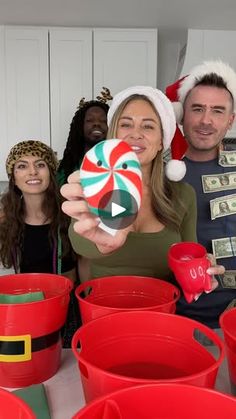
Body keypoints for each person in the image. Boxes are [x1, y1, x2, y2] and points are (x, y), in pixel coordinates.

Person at [61, 86, 223, 287]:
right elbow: (81, 246)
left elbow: (186, 262)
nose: (135, 134)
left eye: (148, 126)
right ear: (113, 136)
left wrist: (199, 274)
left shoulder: (183, 194)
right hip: (100, 311)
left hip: (160, 311)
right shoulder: (91, 186)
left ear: (161, 142)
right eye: (126, 124)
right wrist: (105, 243)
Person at [166, 60, 236, 328]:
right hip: (173, 315)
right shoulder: (156, 173)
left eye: (217, 111)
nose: (206, 120)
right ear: (182, 114)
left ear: (230, 121)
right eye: (197, 109)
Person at [0, 140, 78, 346]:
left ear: (51, 173)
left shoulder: (70, 213)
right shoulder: (4, 220)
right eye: (22, 166)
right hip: (22, 309)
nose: (32, 172)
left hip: (65, 310)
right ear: (13, 178)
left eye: (40, 164)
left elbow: (85, 265)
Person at [57, 87, 112, 187]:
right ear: (80, 126)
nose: (96, 124)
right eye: (90, 120)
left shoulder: (121, 162)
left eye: (103, 121)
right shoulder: (67, 166)